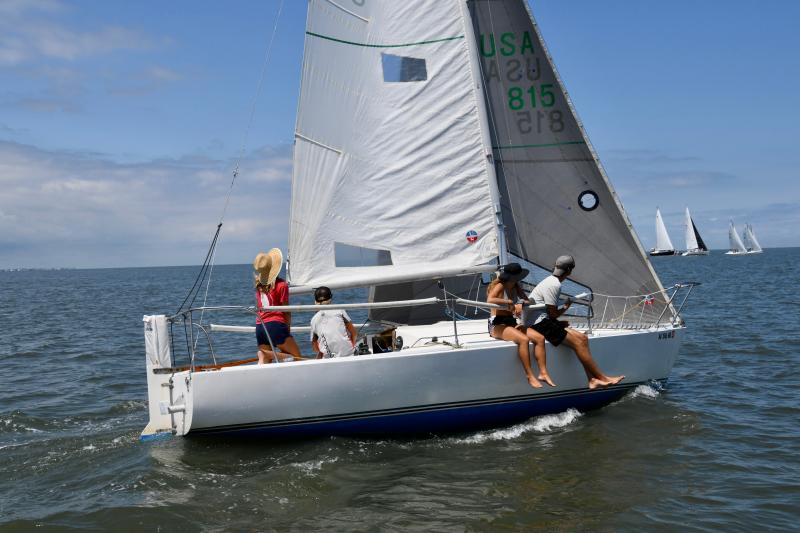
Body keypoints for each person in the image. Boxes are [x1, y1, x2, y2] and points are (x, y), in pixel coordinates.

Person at [528, 255, 624, 389]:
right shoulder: (554, 284)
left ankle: (592, 380)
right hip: (538, 324)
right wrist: (566, 307)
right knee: (578, 343)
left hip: (542, 321)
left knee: (583, 338)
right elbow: (553, 314)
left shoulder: (551, 280)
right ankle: (602, 378)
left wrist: (559, 322)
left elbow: (550, 314)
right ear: (569, 271)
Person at [487, 263, 547, 389]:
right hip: (497, 323)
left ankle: (543, 373)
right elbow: (490, 300)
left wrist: (520, 302)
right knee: (523, 339)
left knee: (539, 338)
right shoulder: (500, 286)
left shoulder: (516, 286)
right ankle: (530, 376)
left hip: (511, 322)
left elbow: (527, 300)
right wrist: (508, 301)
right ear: (514, 276)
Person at [253, 248, 302, 364]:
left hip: (260, 326)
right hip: (275, 325)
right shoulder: (282, 285)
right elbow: (286, 310)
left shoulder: (259, 287)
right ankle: (265, 354)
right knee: (297, 357)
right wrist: (287, 327)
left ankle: (266, 356)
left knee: (267, 363)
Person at [309, 286, 358, 359]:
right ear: (330, 298)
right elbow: (354, 333)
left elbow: (314, 346)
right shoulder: (340, 310)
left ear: (315, 301)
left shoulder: (314, 319)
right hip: (349, 354)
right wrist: (351, 347)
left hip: (329, 358)